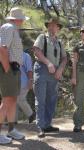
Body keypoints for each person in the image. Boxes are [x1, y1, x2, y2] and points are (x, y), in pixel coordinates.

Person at [32, 18, 67, 138]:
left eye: (55, 26)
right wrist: (48, 63)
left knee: (51, 99)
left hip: (55, 72)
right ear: (48, 27)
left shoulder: (59, 42)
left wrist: (60, 69)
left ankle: (47, 124)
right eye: (50, 25)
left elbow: (64, 58)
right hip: (42, 69)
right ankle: (40, 126)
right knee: (40, 99)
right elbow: (36, 51)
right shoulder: (42, 37)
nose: (52, 28)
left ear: (58, 28)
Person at [0, 7, 29, 144]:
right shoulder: (9, 27)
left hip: (14, 68)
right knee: (6, 102)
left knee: (12, 100)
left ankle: (11, 130)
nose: (23, 21)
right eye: (22, 19)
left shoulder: (13, 28)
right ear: (17, 19)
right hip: (9, 69)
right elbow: (2, 48)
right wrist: (7, 68)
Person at [15, 51, 35, 124]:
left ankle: (31, 114)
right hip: (12, 83)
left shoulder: (26, 56)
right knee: (13, 100)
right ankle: (13, 120)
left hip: (24, 82)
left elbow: (29, 69)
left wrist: (30, 81)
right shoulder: (8, 54)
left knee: (20, 99)